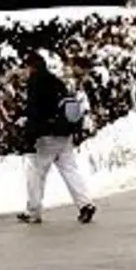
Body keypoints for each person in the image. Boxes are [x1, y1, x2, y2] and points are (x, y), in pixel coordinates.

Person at [15, 50, 96, 225]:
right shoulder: (56, 82)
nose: (24, 71)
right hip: (64, 134)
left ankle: (33, 212)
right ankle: (86, 204)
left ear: (32, 67)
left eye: (25, 67)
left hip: (46, 137)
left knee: (35, 174)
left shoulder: (35, 83)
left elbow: (35, 112)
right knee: (69, 170)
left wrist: (29, 135)